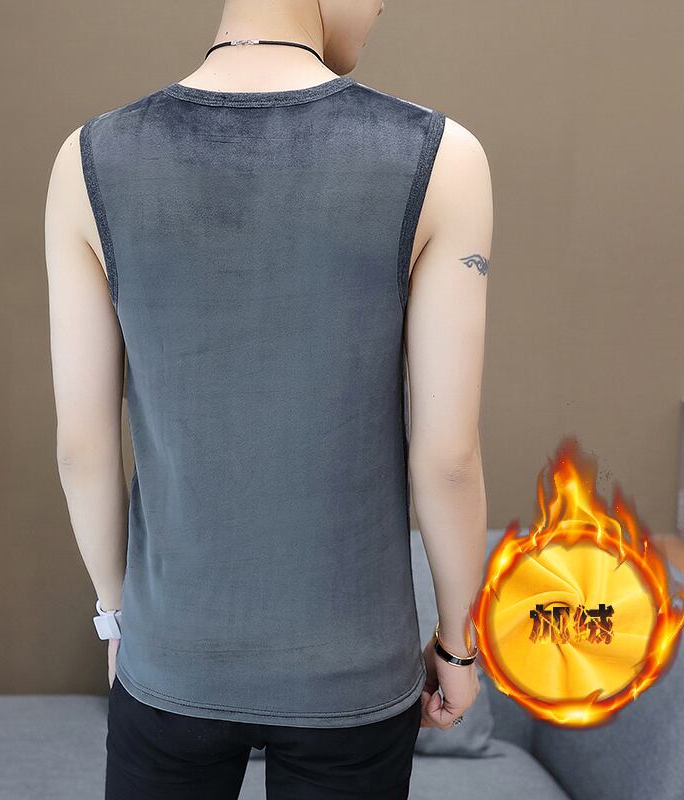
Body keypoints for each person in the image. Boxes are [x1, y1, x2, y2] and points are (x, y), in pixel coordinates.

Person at [44, 0, 491, 796]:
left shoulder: (89, 159)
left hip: (171, 659)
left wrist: (117, 619)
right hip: (354, 675)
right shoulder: (440, 156)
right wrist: (457, 646)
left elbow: (82, 445)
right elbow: (448, 458)